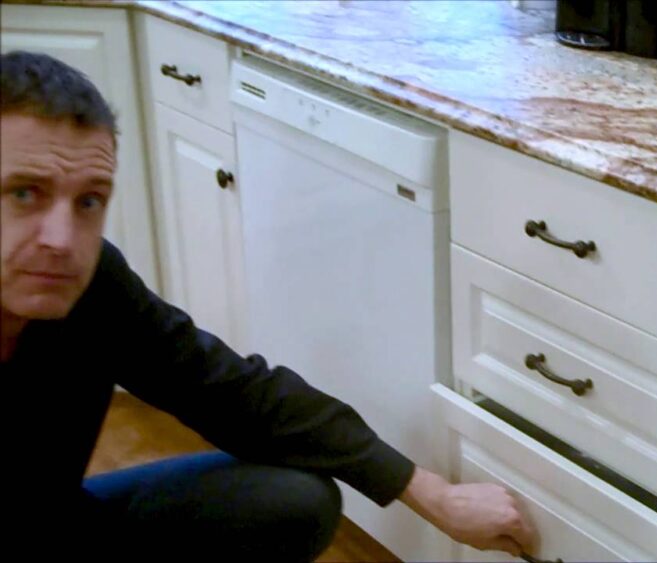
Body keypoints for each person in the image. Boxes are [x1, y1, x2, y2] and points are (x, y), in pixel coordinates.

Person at [0, 51, 537, 562]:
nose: (62, 240)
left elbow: (233, 391)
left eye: (89, 201)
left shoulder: (94, 284)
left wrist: (433, 494)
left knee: (293, 501)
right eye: (24, 193)